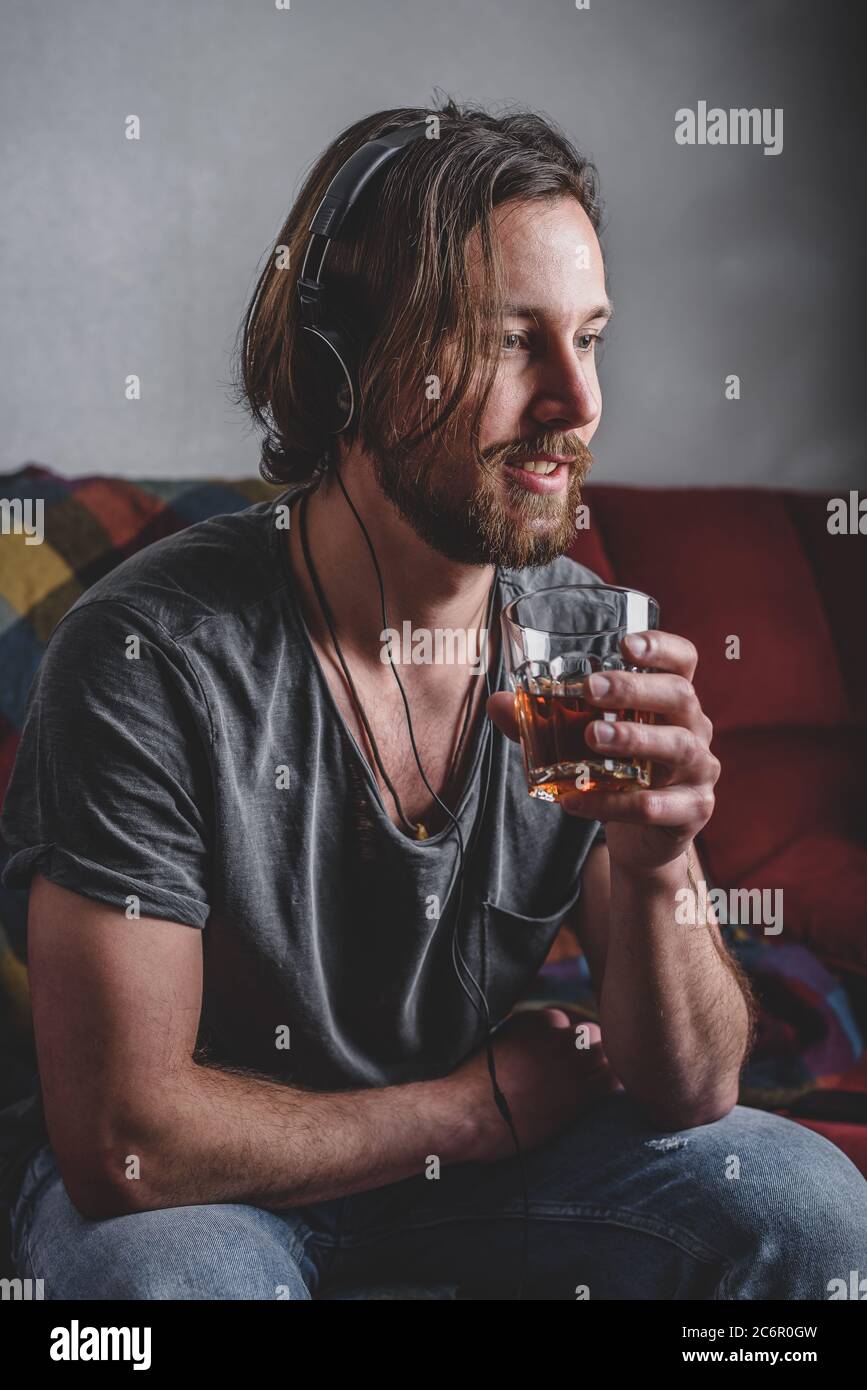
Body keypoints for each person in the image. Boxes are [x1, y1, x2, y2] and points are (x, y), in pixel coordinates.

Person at [2, 100, 866, 1301]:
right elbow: (126, 1142)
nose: (578, 402)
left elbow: (694, 1090)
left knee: (810, 1210)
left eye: (592, 338)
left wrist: (663, 863)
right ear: (354, 365)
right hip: (214, 1187)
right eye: (516, 342)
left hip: (488, 1177)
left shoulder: (583, 638)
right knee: (168, 1294)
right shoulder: (152, 654)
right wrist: (468, 1112)